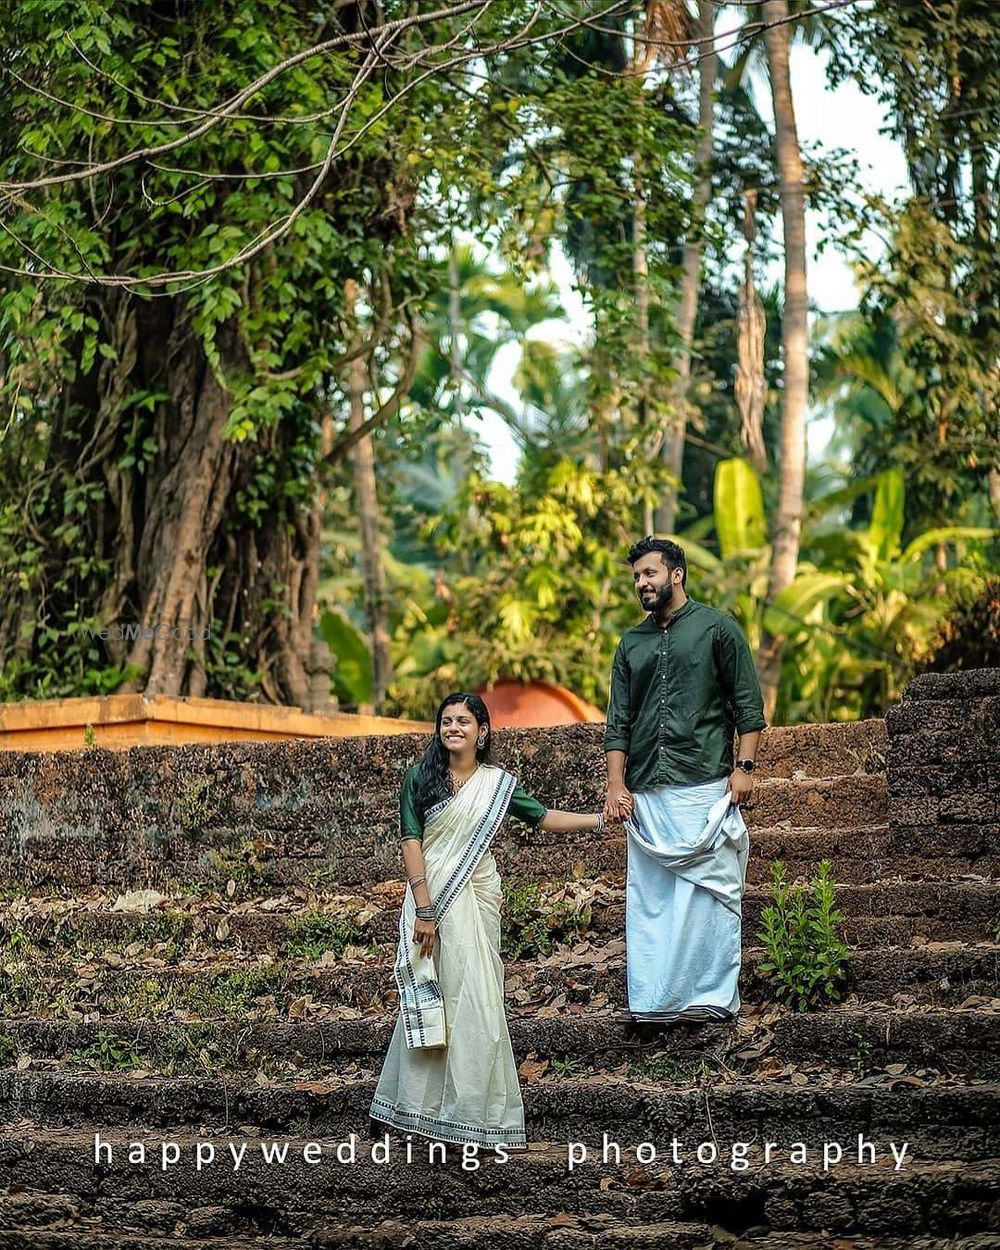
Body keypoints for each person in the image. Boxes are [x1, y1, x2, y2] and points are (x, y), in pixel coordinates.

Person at [369, 691, 607, 1149]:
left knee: (476, 998)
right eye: (446, 721)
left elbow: (540, 817)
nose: (453, 727)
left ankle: (471, 1115)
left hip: (477, 897)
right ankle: (413, 1109)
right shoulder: (420, 778)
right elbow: (411, 840)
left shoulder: (496, 784)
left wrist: (597, 820)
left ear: (482, 730)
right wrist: (424, 908)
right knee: (434, 1000)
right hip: (434, 897)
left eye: (463, 720)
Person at [603, 536, 767, 1024]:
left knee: (707, 896)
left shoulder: (718, 629)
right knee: (651, 898)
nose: (641, 583)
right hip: (647, 790)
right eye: (636, 576)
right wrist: (616, 784)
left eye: (649, 573)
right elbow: (619, 722)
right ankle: (653, 1002)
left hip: (704, 783)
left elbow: (748, 708)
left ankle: (709, 999)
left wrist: (745, 768)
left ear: (676, 574)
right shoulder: (631, 643)